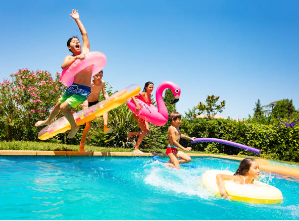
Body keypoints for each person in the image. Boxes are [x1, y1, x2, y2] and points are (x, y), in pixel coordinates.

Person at [35, 9, 92, 138]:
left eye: (77, 41)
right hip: (73, 87)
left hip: (83, 90)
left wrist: (77, 19)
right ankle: (48, 120)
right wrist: (76, 58)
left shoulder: (86, 52)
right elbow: (63, 66)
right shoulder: (69, 57)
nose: (77, 42)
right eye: (73, 41)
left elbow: (84, 33)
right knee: (57, 105)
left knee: (64, 107)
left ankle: (74, 127)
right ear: (69, 47)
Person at [79, 70, 112, 152]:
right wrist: (85, 103)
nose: (99, 77)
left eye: (100, 75)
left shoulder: (102, 83)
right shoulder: (89, 83)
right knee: (88, 125)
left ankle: (105, 127)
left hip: (95, 103)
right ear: (93, 76)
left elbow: (104, 93)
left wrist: (107, 97)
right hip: (87, 102)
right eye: (97, 75)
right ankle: (82, 146)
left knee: (105, 108)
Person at [127, 81, 154, 153]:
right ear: (146, 87)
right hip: (138, 113)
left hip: (144, 115)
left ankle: (131, 133)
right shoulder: (143, 94)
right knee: (144, 131)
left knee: (147, 131)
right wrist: (137, 105)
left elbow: (148, 107)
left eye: (152, 87)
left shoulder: (149, 96)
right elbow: (132, 95)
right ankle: (136, 149)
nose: (151, 88)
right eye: (150, 87)